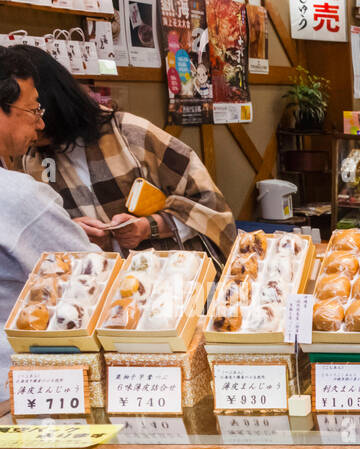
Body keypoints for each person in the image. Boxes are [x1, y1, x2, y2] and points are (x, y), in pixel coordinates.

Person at [19, 44, 235, 260]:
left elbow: (210, 203)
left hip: (170, 277)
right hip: (94, 285)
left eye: (35, 112)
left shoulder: (130, 134)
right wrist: (69, 230)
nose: (32, 128)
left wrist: (147, 227)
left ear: (54, 104)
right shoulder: (31, 159)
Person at [0, 47, 94, 327]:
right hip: (16, 361)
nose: (40, 123)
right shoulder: (17, 194)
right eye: (33, 110)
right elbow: (91, 271)